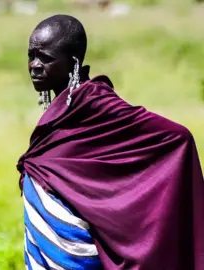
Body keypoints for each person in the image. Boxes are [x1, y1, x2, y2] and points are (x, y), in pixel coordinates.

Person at [17, 14, 204, 269]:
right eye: (31, 56)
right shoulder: (65, 107)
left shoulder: (97, 103)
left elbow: (178, 136)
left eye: (46, 58)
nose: (35, 65)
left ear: (73, 63)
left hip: (78, 247)